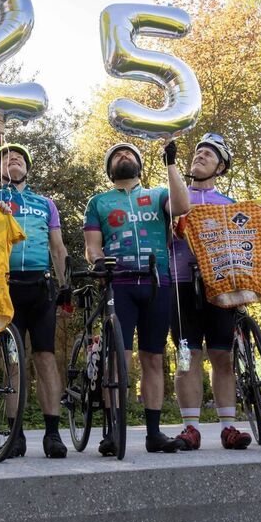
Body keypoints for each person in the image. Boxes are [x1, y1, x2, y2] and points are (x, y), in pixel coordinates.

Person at [0, 118, 69, 458]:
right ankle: (15, 433)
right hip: (6, 287)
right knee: (12, 361)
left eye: (20, 160)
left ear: (28, 168)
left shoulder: (45, 203)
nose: (15, 162)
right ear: (0, 170)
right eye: (9, 160)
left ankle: (53, 433)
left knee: (45, 359)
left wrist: (65, 284)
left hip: (40, 286)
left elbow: (58, 248)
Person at [83, 140, 190, 454]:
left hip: (158, 282)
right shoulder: (98, 202)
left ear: (140, 164)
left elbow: (183, 207)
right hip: (120, 284)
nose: (123, 155)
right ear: (110, 169)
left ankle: (154, 433)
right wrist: (97, 260)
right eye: (116, 155)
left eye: (128, 153)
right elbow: (92, 246)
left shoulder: (157, 195)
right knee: (117, 360)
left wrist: (171, 163)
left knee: (153, 359)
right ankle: (113, 431)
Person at [168, 134, 253, 450]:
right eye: (198, 152)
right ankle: (190, 427)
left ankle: (228, 427)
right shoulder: (173, 197)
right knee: (187, 357)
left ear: (221, 168)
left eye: (209, 154)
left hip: (220, 287)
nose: (200, 156)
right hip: (181, 284)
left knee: (223, 356)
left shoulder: (231, 205)